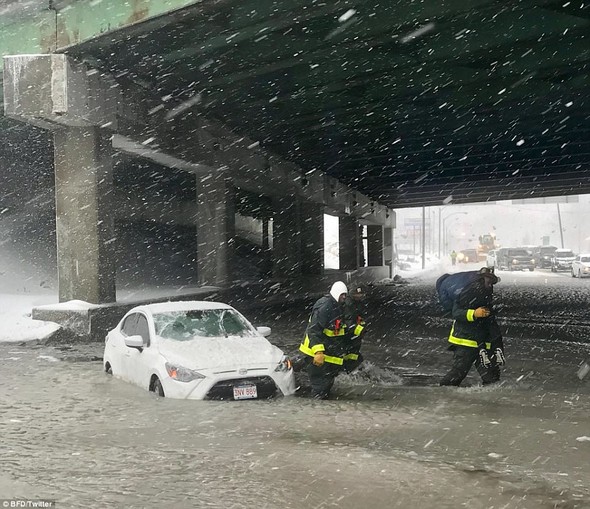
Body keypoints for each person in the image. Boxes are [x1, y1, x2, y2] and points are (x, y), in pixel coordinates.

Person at [439, 267, 505, 387]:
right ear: (481, 279)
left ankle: (491, 397)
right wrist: (474, 314)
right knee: (458, 373)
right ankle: (443, 392)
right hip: (466, 341)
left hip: (483, 343)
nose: (490, 284)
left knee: (491, 376)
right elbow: (457, 313)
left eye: (492, 282)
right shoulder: (466, 293)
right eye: (488, 280)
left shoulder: (486, 294)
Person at [298, 281, 349, 399]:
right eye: (342, 295)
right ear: (336, 294)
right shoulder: (325, 307)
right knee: (320, 387)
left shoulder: (338, 307)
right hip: (314, 353)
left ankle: (323, 410)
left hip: (326, 354)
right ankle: (318, 412)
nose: (344, 297)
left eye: (345, 295)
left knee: (326, 385)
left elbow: (336, 332)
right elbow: (313, 330)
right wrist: (318, 352)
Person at [342, 284, 367, 373]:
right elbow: (349, 323)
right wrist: (360, 330)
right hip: (350, 336)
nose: (360, 296)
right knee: (350, 355)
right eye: (358, 294)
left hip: (354, 337)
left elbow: (360, 318)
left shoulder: (357, 303)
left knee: (353, 355)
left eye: (361, 294)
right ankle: (349, 370)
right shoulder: (349, 305)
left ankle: (352, 369)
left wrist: (362, 328)